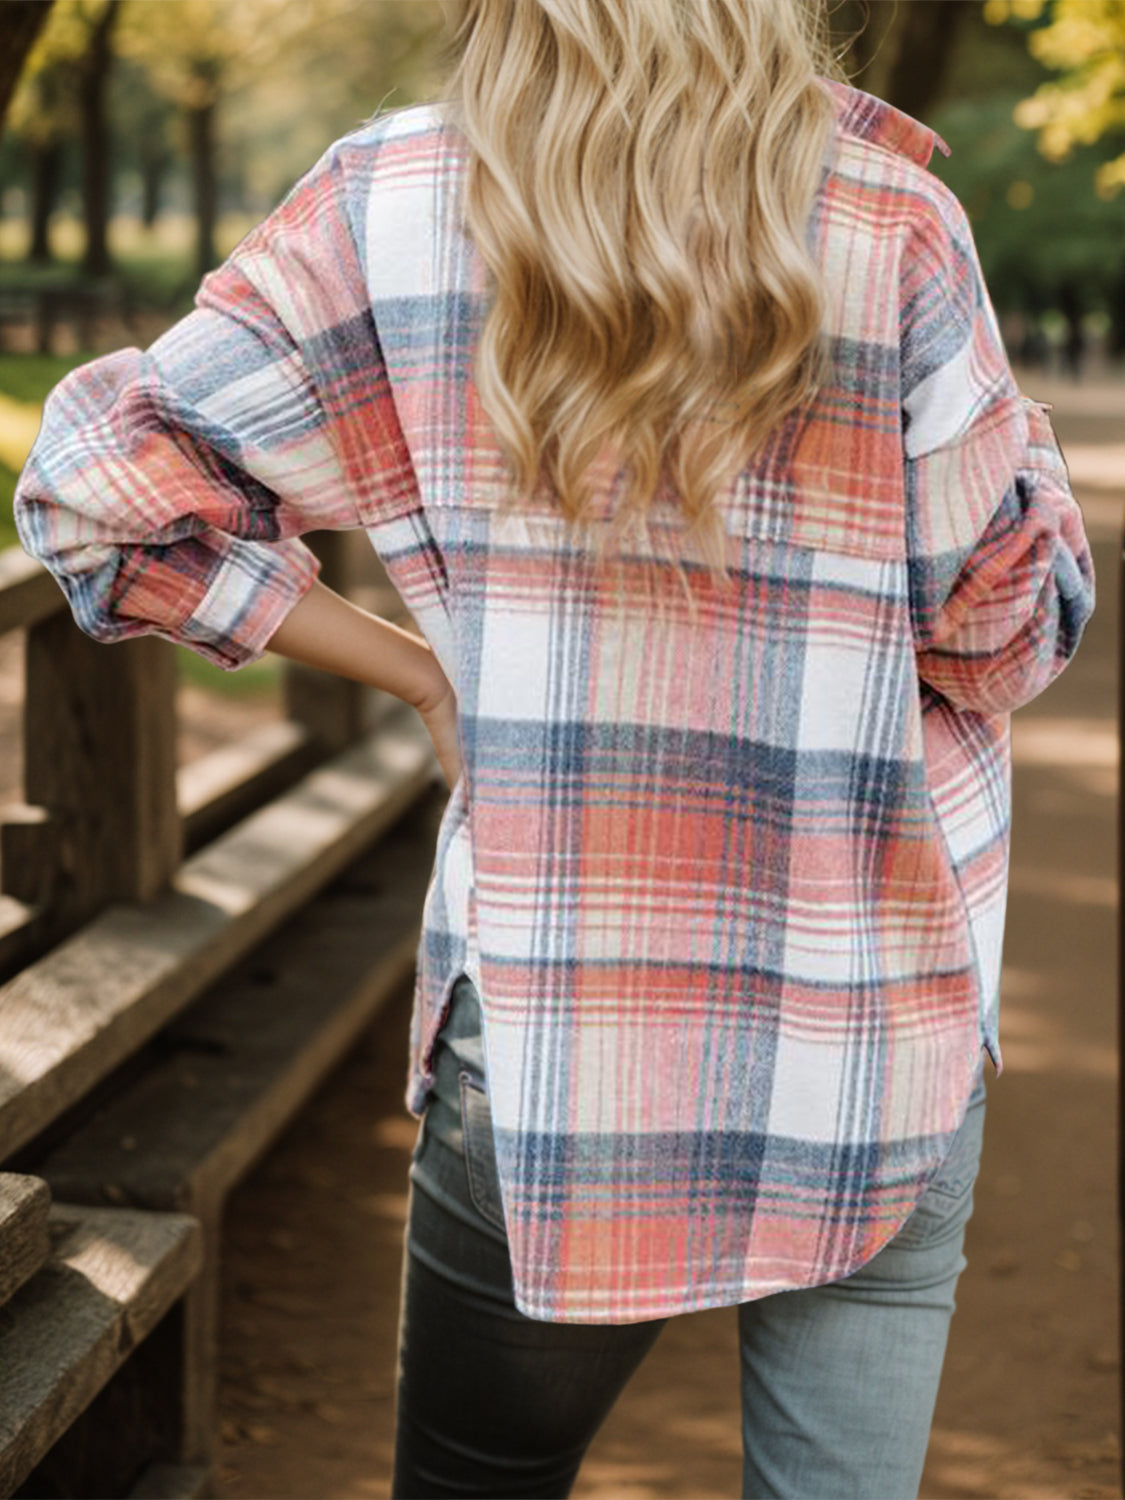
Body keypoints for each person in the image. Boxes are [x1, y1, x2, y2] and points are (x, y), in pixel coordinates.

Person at [12, 1, 1096, 1496]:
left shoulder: (384, 206)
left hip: (551, 1045)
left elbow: (96, 495)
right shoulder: (893, 220)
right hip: (870, 1032)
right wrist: (1027, 458)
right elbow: (995, 638)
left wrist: (421, 672)